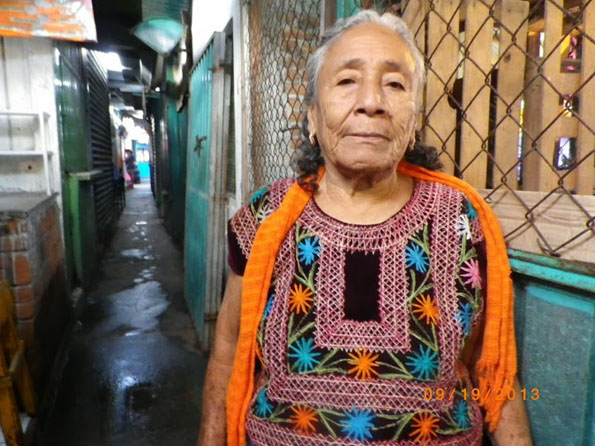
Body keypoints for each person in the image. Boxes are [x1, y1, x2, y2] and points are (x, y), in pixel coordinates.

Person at [199, 10, 532, 446]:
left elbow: (495, 374)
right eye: (346, 81)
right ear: (314, 118)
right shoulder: (268, 216)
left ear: (413, 121)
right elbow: (227, 350)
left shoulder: (464, 219)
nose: (371, 101)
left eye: (395, 84)